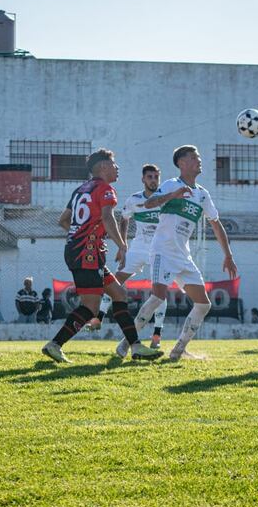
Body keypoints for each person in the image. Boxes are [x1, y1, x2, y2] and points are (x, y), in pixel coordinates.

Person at [41, 148, 162, 363]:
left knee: (119, 294)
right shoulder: (105, 189)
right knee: (91, 308)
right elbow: (108, 217)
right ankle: (55, 344)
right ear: (104, 167)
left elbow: (63, 221)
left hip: (84, 251)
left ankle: (136, 347)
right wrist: (122, 245)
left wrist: (81, 236)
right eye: (114, 165)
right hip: (87, 254)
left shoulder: (80, 190)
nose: (117, 169)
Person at [121, 145, 238, 361]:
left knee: (203, 304)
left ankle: (179, 349)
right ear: (181, 163)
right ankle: (127, 342)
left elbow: (216, 223)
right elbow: (149, 203)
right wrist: (173, 195)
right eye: (194, 157)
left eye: (199, 156)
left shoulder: (202, 194)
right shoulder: (170, 184)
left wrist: (228, 255)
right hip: (162, 252)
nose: (199, 160)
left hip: (183, 256)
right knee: (158, 297)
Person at [90, 164, 168, 352]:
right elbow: (124, 220)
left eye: (156, 177)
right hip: (138, 248)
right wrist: (122, 247)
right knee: (115, 282)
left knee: (159, 291)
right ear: (143, 179)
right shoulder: (134, 200)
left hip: (160, 251)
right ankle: (99, 317)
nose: (153, 180)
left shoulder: (165, 199)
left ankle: (157, 334)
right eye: (149, 177)